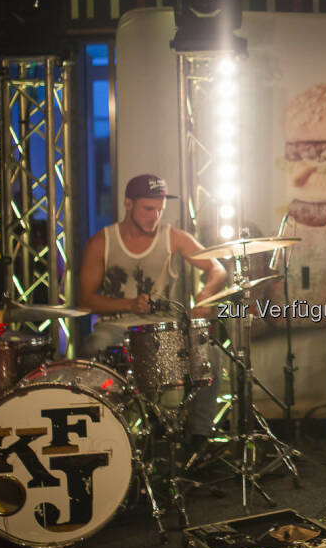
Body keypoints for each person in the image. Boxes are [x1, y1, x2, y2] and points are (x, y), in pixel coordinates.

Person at [78, 173, 227, 443]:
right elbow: (86, 300)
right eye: (148, 209)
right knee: (93, 345)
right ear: (128, 204)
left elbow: (217, 267)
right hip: (117, 328)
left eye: (160, 210)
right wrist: (129, 304)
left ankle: (199, 437)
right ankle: (108, 437)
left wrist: (204, 296)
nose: (155, 217)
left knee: (210, 353)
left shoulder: (173, 237)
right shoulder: (102, 242)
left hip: (165, 327)